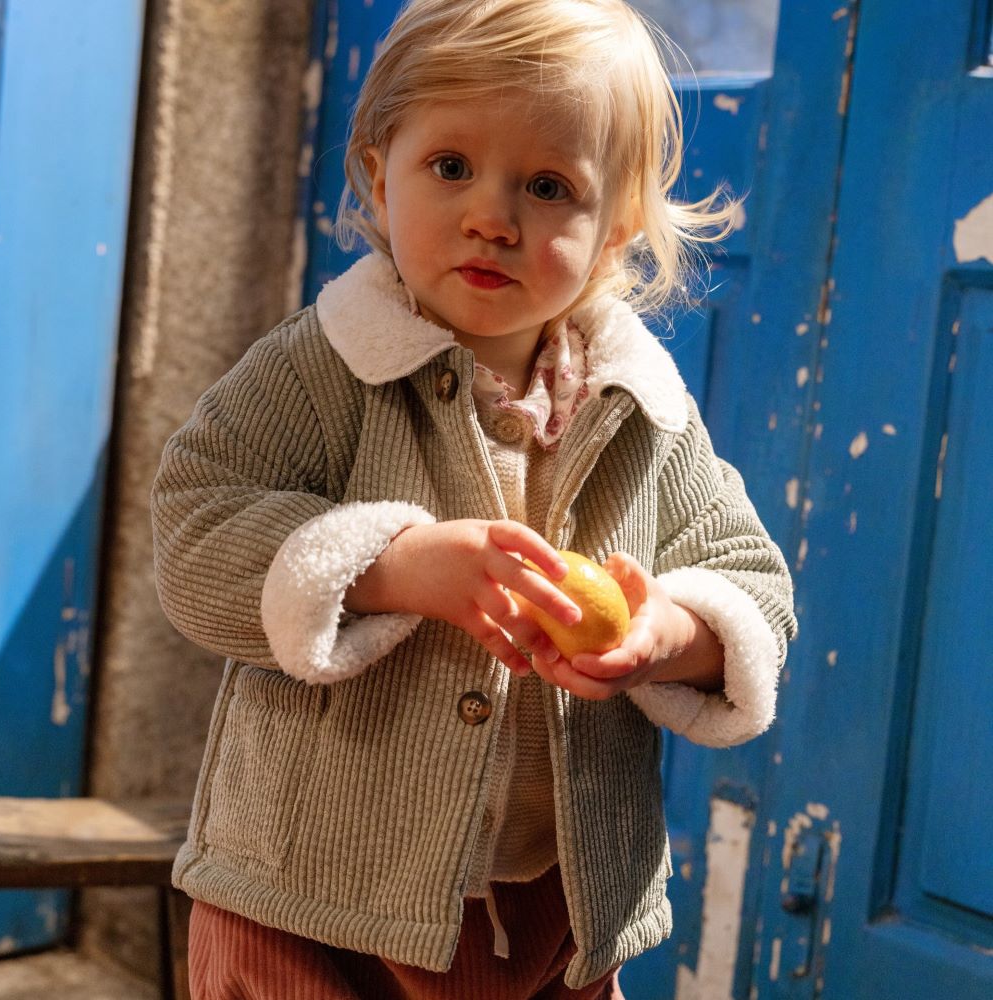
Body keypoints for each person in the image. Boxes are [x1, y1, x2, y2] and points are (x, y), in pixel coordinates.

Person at [151, 1, 797, 997]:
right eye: (450, 167)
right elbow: (195, 533)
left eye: (547, 186)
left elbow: (752, 583)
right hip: (305, 895)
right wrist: (394, 565)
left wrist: (670, 630)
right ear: (378, 171)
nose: (492, 216)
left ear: (615, 222)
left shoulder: (641, 409)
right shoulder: (320, 371)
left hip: (554, 911)